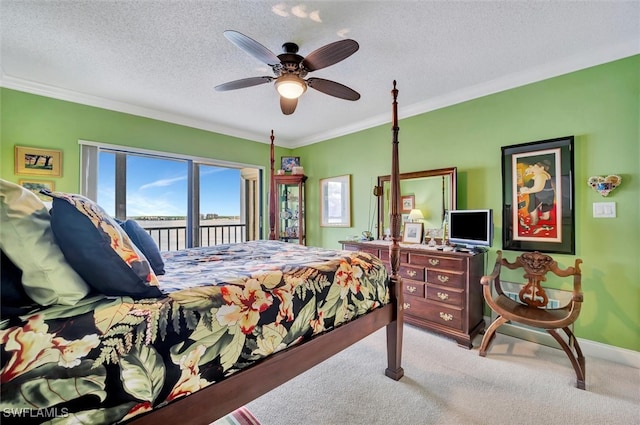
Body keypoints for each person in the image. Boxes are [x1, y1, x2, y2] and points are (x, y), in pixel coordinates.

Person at [519, 160, 554, 226]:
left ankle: (534, 221)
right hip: (547, 195)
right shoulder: (541, 174)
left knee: (532, 208)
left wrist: (526, 191)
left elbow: (537, 188)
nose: (533, 168)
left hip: (542, 196)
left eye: (535, 167)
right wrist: (528, 173)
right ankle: (545, 218)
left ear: (542, 168)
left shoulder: (541, 175)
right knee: (545, 209)